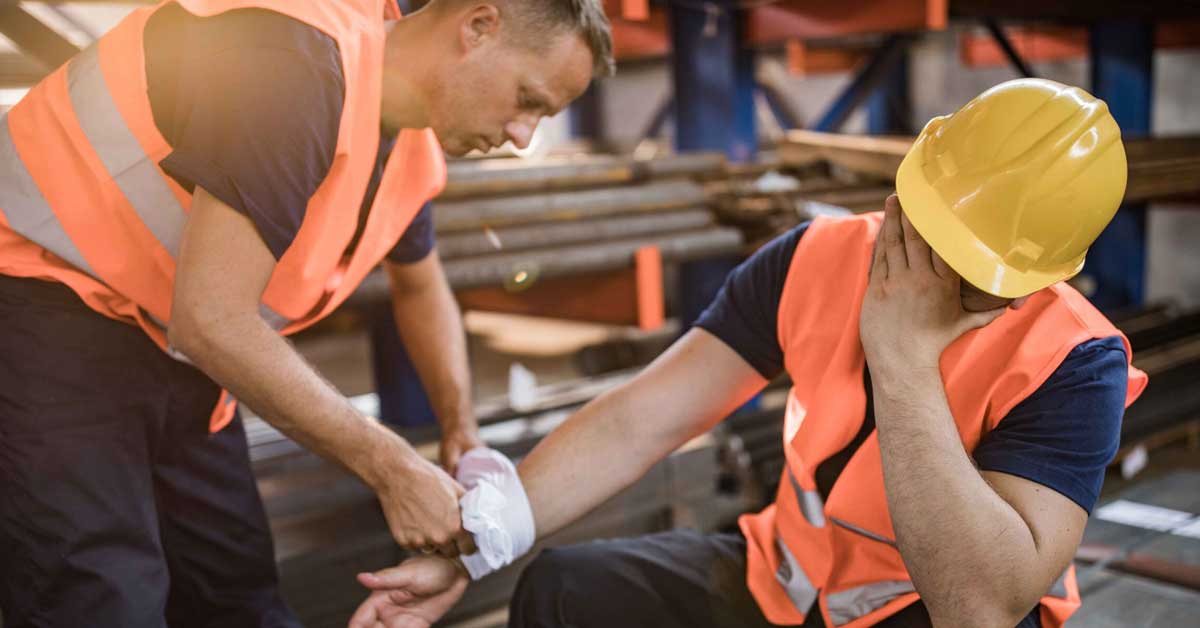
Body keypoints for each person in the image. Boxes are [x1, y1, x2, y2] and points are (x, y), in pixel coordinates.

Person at [350, 79, 1147, 628]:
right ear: (906, 192)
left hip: (921, 614)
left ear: (1035, 278)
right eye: (930, 236)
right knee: (566, 593)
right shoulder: (814, 259)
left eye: (979, 273)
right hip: (783, 584)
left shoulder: (1072, 362)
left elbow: (980, 607)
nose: (939, 275)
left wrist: (903, 362)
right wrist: (477, 547)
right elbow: (640, 421)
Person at [0, 1, 613, 626]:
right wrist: (393, 466)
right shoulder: (296, 61)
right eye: (528, 100)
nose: (523, 136)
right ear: (478, 27)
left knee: (239, 598)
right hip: (41, 303)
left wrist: (461, 431)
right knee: (99, 599)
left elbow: (421, 289)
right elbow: (211, 320)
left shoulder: (407, 150)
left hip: (173, 351)